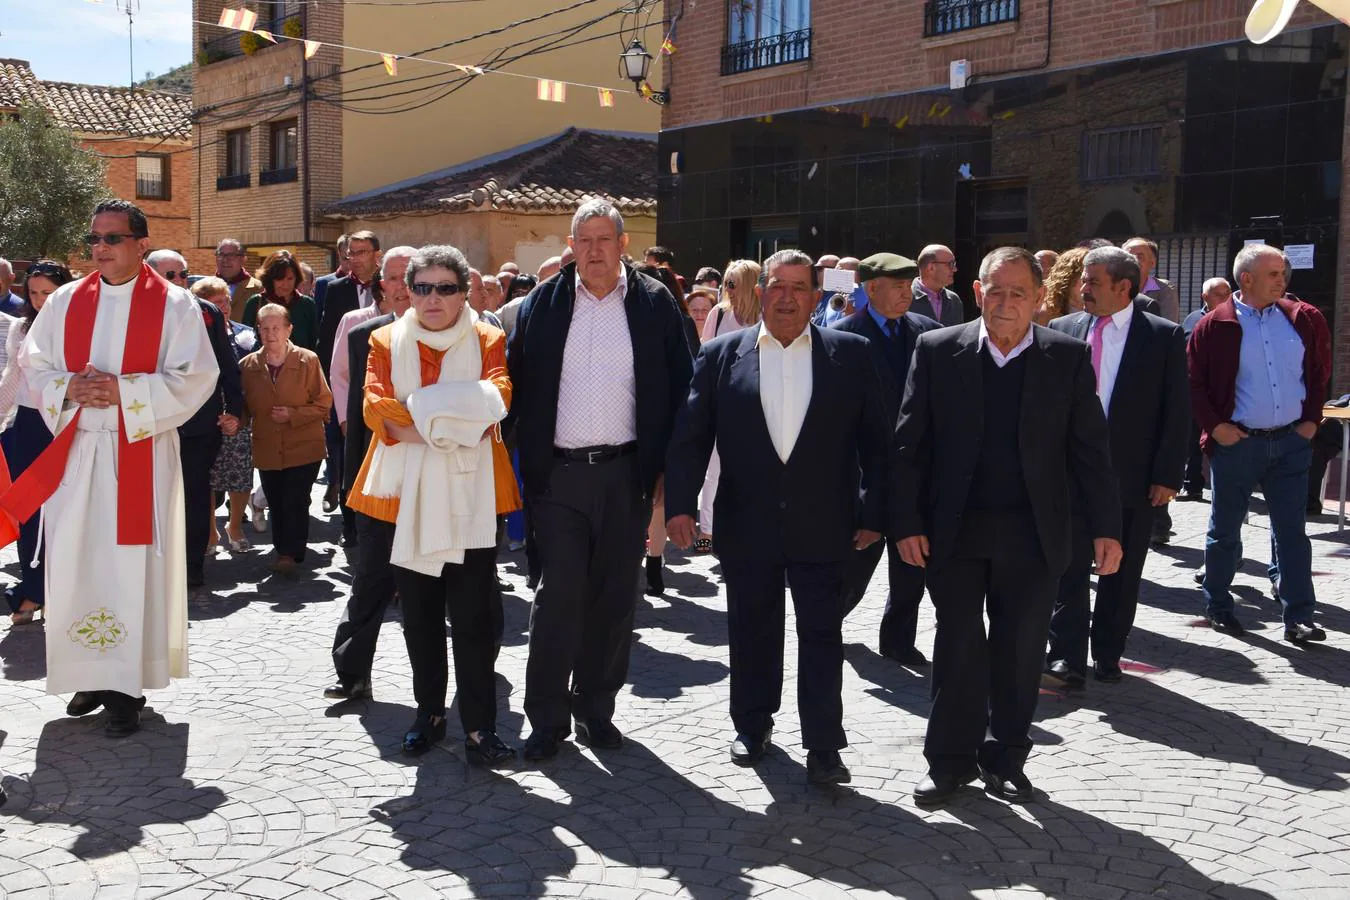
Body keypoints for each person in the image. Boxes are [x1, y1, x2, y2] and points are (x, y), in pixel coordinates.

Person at [894, 246, 1121, 805]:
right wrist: (905, 521)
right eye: (995, 290)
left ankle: (1006, 757)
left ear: (1040, 299)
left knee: (1020, 650)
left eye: (1019, 292)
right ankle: (949, 761)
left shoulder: (1065, 357)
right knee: (958, 645)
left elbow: (1089, 450)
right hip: (956, 531)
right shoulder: (937, 349)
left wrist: (1106, 527)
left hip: (1034, 533)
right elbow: (908, 446)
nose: (1005, 302)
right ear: (976, 292)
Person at [666, 249, 890, 785]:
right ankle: (752, 725)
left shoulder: (851, 353)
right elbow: (691, 438)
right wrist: (679, 505)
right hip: (747, 522)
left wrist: (875, 510)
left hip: (826, 520)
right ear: (758, 292)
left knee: (822, 635)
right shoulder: (722, 354)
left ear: (816, 297)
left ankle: (823, 745)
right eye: (776, 286)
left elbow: (879, 444)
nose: (787, 297)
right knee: (751, 629)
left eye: (798, 288)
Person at [0, 199, 219, 737]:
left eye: (112, 238)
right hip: (75, 451)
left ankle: (127, 687)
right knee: (77, 559)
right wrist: (69, 387)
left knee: (130, 562)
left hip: (139, 449)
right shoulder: (67, 300)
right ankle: (88, 675)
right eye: (94, 238)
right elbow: (35, 364)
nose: (100, 248)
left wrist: (122, 393)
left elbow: (195, 377)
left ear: (141, 243)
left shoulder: (174, 305)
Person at [508, 198, 693, 761]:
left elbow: (685, 389)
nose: (593, 250)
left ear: (622, 246)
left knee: (615, 597)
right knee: (559, 593)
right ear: (571, 247)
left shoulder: (655, 302)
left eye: (603, 240)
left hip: (625, 474)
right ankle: (545, 717)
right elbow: (514, 382)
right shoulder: (543, 301)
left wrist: (672, 473)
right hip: (558, 477)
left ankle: (596, 708)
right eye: (583, 240)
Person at [345, 244, 520, 763]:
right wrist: (455, 416)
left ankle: (481, 728)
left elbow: (499, 398)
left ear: (464, 291)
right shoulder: (382, 338)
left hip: (475, 493)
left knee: (473, 616)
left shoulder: (489, 336)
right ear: (407, 291)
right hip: (405, 497)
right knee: (419, 615)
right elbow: (378, 408)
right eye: (423, 287)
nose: (433, 298)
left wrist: (419, 417)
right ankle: (430, 714)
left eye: (446, 287)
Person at [1043, 247, 1188, 688]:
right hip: (1069, 473)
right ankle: (1065, 655)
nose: (1081, 289)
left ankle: (1108, 653)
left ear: (1123, 287)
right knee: (1066, 568)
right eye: (1083, 281)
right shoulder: (1063, 329)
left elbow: (1176, 410)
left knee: (1121, 572)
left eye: (1092, 282)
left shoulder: (1162, 336)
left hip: (1132, 476)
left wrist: (1167, 475)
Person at [1189, 244, 1331, 643]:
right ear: (1246, 279)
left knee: (1292, 533)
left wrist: (1310, 421)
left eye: (1283, 272)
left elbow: (1319, 373)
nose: (1282, 279)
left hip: (1290, 443)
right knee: (1225, 532)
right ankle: (1218, 604)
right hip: (1237, 444)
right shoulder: (1214, 325)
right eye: (1273, 274)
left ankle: (1299, 616)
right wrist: (1215, 427)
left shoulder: (1304, 319)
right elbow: (1194, 383)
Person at [833, 253, 941, 667]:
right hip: (867, 469)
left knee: (912, 561)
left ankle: (898, 639)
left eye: (908, 286)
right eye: (896, 287)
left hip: (916, 469)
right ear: (871, 288)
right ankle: (827, 622)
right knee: (858, 560)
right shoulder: (845, 335)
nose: (905, 294)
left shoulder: (927, 333)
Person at [326, 248, 416, 701]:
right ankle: (352, 671)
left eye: (410, 278)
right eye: (393, 279)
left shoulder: (457, 338)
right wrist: (350, 480)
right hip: (376, 478)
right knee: (370, 579)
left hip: (429, 480)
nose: (402, 287)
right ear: (381, 287)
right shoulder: (365, 336)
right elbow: (355, 419)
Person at [0, 259, 72, 624]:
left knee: (70, 510)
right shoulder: (22, 328)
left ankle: (68, 591)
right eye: (33, 292)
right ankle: (32, 590)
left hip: (70, 425)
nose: (41, 299)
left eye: (49, 292)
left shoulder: (83, 327)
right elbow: (14, 378)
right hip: (29, 425)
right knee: (30, 509)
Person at [239, 304, 332, 576]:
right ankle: (283, 549)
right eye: (264, 328)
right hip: (267, 446)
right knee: (276, 501)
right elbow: (244, 408)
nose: (270, 334)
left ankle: (290, 553)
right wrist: (234, 419)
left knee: (295, 499)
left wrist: (294, 414)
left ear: (288, 329)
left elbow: (324, 404)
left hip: (305, 446)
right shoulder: (248, 366)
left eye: (276, 328)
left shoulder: (308, 360)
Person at [169, 262, 244, 589]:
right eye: (168, 274)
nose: (176, 281)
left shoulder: (206, 311)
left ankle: (191, 564)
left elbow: (225, 363)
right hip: (148, 421)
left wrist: (235, 411)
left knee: (196, 494)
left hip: (199, 424)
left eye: (181, 274)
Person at [632, 263, 698, 596]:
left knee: (655, 497)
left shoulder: (672, 319)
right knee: (658, 500)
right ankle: (654, 565)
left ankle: (649, 564)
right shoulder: (680, 318)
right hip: (664, 421)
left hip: (656, 423)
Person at [695, 259, 761, 551]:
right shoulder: (719, 314)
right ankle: (707, 532)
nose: (727, 289)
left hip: (756, 404)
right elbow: (703, 358)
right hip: (720, 402)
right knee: (713, 470)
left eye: (733, 283)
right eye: (726, 283)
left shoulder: (765, 316)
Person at [318, 231, 381, 520]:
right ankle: (351, 523)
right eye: (350, 254)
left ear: (376, 254)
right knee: (347, 456)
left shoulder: (395, 288)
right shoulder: (336, 289)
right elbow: (329, 344)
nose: (354, 259)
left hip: (383, 385)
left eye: (361, 252)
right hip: (348, 385)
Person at [192, 277, 258, 554]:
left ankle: (235, 525)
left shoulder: (244, 332)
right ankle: (209, 531)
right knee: (207, 477)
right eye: (218, 302)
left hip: (238, 412)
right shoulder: (196, 336)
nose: (225, 307)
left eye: (227, 301)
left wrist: (238, 412)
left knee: (240, 473)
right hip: (204, 411)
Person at [1178, 277, 1232, 501]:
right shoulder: (1193, 319)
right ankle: (1192, 484)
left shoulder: (1236, 318)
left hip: (1223, 389)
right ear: (1205, 297)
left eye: (1227, 293)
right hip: (1196, 388)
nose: (1224, 298)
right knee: (1191, 438)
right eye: (1218, 294)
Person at [241, 251, 319, 352]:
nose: (285, 284)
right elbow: (246, 345)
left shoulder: (307, 304)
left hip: (300, 365)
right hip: (264, 366)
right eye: (280, 279)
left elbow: (313, 344)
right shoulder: (255, 303)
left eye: (290, 278)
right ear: (270, 278)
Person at [1124, 237, 1179, 323]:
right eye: (1128, 256)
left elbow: (1168, 326)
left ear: (1152, 263)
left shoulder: (1164, 289)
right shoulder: (1111, 287)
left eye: (1140, 257)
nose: (1133, 261)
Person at [912, 244, 965, 326]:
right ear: (931, 268)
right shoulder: (906, 297)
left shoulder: (954, 300)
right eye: (950, 264)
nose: (955, 269)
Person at [215, 238, 263, 322]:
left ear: (243, 259)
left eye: (231, 255)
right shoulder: (203, 288)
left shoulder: (258, 289)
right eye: (221, 255)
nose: (225, 260)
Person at [1038, 247, 1088, 324]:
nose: (1089, 286)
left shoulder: (1102, 311)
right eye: (1084, 280)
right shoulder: (1044, 315)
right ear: (1068, 278)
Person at [312, 234, 351, 322]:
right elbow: (317, 319)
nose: (349, 263)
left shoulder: (365, 283)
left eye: (351, 257)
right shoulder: (323, 283)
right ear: (339, 254)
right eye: (345, 258)